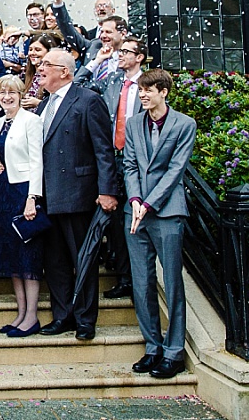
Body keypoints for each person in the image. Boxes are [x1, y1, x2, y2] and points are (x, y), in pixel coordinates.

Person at [36, 49, 120, 341]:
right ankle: (63, 316)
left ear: (66, 72)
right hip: (46, 196)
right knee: (55, 262)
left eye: (48, 64)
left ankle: (85, 319)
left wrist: (108, 190)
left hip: (78, 194)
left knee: (82, 259)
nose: (41, 67)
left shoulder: (88, 100)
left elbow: (103, 150)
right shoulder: (43, 106)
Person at [123, 68, 196, 380]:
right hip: (136, 213)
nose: (143, 95)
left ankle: (174, 351)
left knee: (173, 284)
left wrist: (150, 202)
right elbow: (129, 165)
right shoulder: (133, 123)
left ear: (163, 92)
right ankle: (152, 347)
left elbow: (176, 170)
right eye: (141, 90)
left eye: (149, 90)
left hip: (168, 211)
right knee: (141, 283)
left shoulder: (184, 124)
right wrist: (136, 200)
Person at [75, 36, 147, 300]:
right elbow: (78, 84)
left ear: (139, 57)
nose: (121, 55)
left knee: (134, 220)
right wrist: (97, 61)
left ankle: (137, 279)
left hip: (136, 160)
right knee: (115, 222)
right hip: (111, 158)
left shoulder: (147, 85)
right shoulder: (112, 80)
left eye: (126, 52)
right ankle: (123, 276)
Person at [0, 75, 45, 337]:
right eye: (2, 93)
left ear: (21, 95)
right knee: (12, 254)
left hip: (24, 191)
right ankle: (20, 313)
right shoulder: (1, 122)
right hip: (5, 190)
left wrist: (33, 198)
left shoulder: (31, 121)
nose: (6, 97)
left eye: (11, 92)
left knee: (27, 255)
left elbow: (37, 161)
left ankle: (32, 316)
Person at [21, 32, 62, 111]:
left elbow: (62, 106)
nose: (32, 53)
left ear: (49, 52)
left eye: (37, 50)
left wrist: (39, 103)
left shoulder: (56, 77)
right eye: (30, 49)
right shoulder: (25, 74)